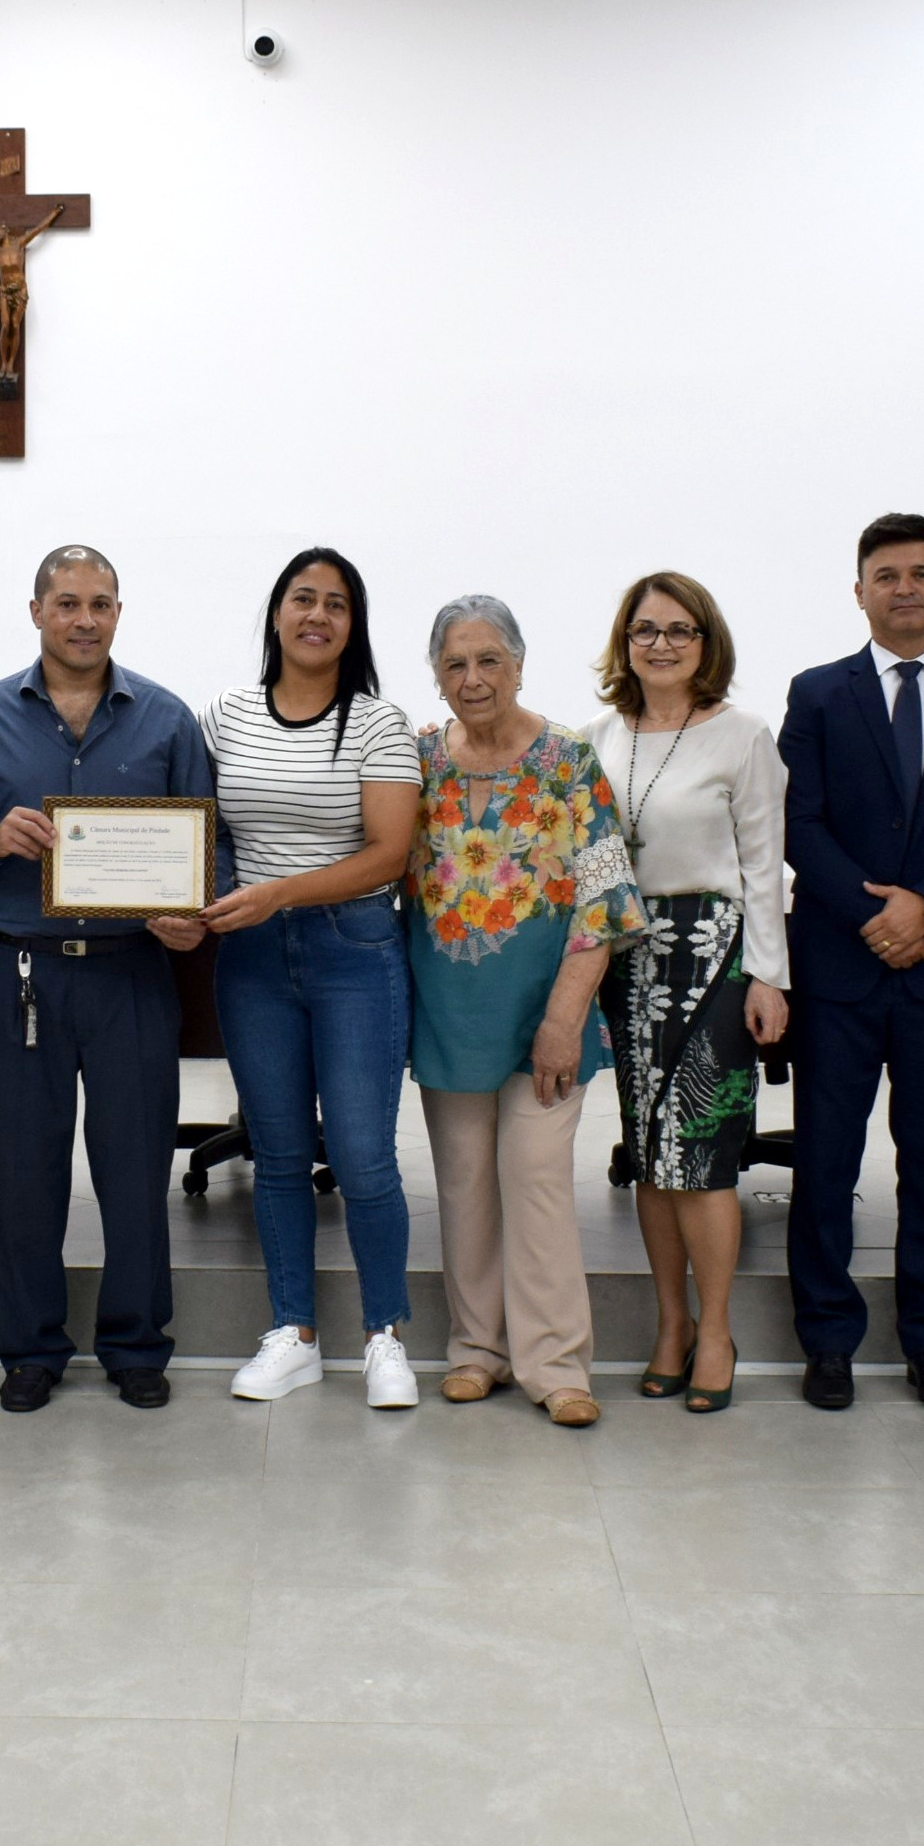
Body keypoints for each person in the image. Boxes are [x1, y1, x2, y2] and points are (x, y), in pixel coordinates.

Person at [0, 546, 218, 1412]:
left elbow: (212, 849)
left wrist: (191, 912)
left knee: (133, 1171)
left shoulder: (166, 720)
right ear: (36, 611)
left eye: (100, 604)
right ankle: (29, 1348)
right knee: (22, 1171)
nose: (83, 619)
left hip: (130, 973)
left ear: (118, 614)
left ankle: (134, 1344)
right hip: (21, 973)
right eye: (67, 603)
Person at [779, 517, 924, 1411]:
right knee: (827, 1163)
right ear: (860, 589)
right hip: (841, 965)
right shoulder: (819, 694)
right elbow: (800, 822)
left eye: (920, 573)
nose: (904, 588)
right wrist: (876, 912)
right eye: (886, 575)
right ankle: (828, 1341)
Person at [409, 596, 647, 1428]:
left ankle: (555, 1363)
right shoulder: (420, 762)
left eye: (488, 661)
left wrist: (564, 1020)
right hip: (449, 1013)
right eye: (454, 664)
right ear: (436, 675)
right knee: (465, 1184)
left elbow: (605, 901)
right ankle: (477, 1350)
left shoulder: (569, 761)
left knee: (537, 1180)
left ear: (518, 664)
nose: (472, 679)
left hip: (549, 1015)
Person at [203, 548, 423, 1406]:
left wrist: (277, 894)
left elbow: (389, 853)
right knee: (282, 1155)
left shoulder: (378, 723)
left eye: (336, 604)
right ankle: (293, 1332)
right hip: (253, 958)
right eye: (303, 598)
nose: (317, 615)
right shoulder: (224, 716)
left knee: (366, 1157)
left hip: (354, 950)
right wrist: (208, 899)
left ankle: (384, 1337)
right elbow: (203, 830)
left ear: (352, 626)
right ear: (276, 613)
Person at [585, 570, 788, 1414]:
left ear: (707, 644)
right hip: (628, 959)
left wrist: (770, 976)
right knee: (649, 1156)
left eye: (679, 630)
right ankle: (670, 1325)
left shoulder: (742, 736)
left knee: (700, 1158)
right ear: (623, 641)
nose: (660, 644)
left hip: (715, 956)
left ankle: (717, 1332)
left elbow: (764, 866)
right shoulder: (599, 735)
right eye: (645, 630)